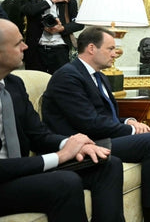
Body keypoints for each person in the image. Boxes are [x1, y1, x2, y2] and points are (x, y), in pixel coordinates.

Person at [41, 26, 150, 222]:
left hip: (105, 136)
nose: (115, 53)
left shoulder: (99, 76)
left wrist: (128, 120)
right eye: (110, 49)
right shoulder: (68, 76)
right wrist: (131, 129)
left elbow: (105, 117)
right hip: (88, 144)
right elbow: (89, 123)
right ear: (91, 48)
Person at [0, 19, 124, 221]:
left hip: (22, 171)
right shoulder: (68, 75)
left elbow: (38, 134)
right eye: (17, 44)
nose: (26, 46)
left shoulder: (14, 84)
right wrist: (59, 156)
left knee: (106, 164)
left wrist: (72, 144)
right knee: (66, 183)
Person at [21, 0, 84, 74]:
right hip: (36, 51)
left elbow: (79, 23)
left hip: (61, 50)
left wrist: (62, 28)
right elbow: (30, 11)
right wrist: (52, 0)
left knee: (61, 81)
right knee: (36, 81)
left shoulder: (68, 2)